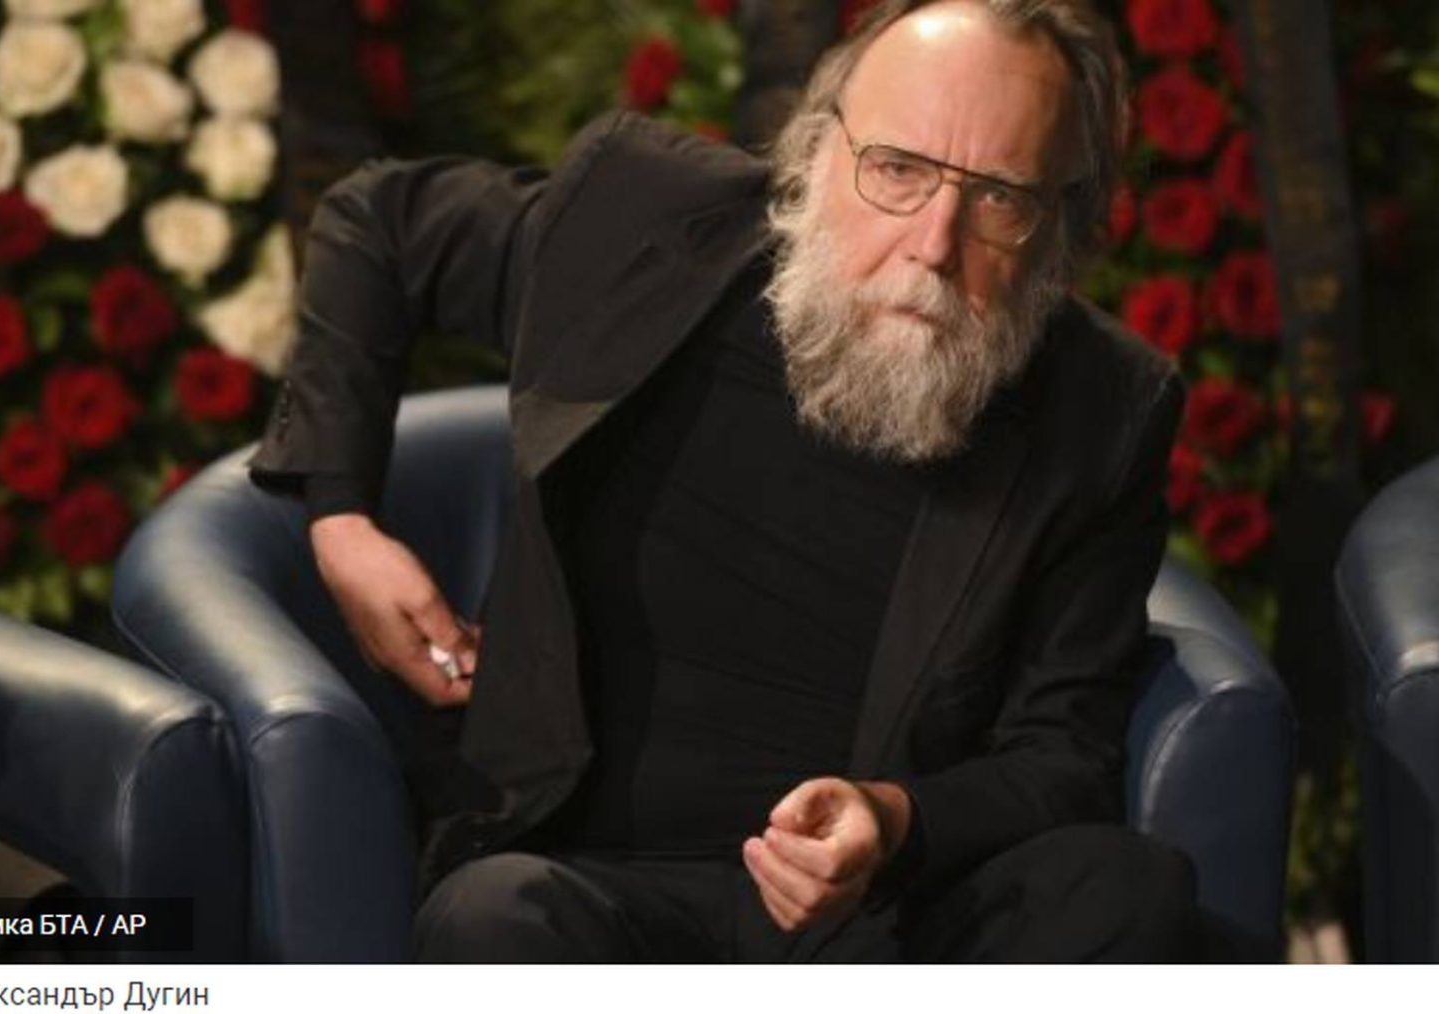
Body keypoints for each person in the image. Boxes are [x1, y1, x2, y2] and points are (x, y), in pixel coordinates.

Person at [249, 0, 1201, 961]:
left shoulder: (1105, 408)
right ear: (819, 150)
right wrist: (340, 519)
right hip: (592, 884)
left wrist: (894, 818)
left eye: (999, 196)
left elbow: (1063, 754)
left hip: (876, 923)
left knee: (1128, 887)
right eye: (898, 170)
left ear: (1060, 224)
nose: (933, 244)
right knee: (496, 915)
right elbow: (378, 220)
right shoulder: (648, 225)